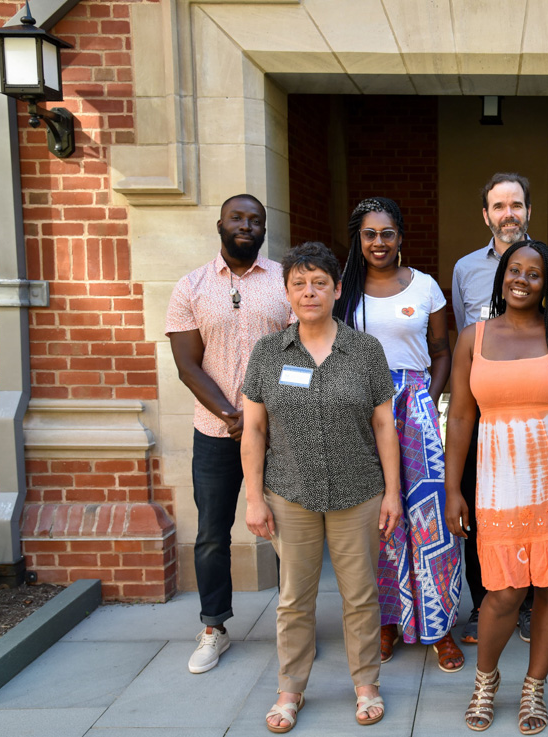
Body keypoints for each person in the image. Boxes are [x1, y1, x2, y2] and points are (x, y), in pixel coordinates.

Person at [445, 240, 548, 735]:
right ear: (501, 279)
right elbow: (458, 416)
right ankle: (486, 679)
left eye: (533, 274)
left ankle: (534, 686)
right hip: (499, 482)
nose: (521, 279)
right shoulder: (472, 338)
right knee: (503, 591)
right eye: (514, 270)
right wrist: (454, 488)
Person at [241, 242, 403, 733]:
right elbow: (253, 430)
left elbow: (383, 425)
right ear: (287, 292)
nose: (309, 292)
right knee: (294, 597)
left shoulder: (365, 350)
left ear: (336, 289)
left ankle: (366, 684)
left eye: (319, 283)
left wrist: (393, 492)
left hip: (359, 491)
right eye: (299, 284)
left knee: (360, 594)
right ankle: (290, 690)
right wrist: (253, 498)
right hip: (290, 491)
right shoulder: (269, 352)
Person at [334, 197, 464, 673]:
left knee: (430, 518)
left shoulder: (426, 286)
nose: (379, 242)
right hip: (362, 409)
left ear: (400, 237)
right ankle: (387, 621)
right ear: (359, 239)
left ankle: (440, 626)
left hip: (416, 407)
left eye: (387, 233)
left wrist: (426, 396)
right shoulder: (343, 291)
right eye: (370, 234)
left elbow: (442, 351)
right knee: (379, 520)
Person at [165, 194, 292, 675]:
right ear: (220, 224)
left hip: (279, 432)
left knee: (287, 533)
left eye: (255, 219)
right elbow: (186, 363)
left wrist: (259, 417)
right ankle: (213, 627)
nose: (246, 225)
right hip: (214, 433)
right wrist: (231, 415)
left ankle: (291, 627)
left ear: (264, 229)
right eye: (238, 217)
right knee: (213, 534)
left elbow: (299, 356)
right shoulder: (191, 286)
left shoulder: (285, 281)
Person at [450, 172, 548, 645]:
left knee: (536, 507)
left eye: (516, 204)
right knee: (486, 508)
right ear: (486, 215)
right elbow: (468, 339)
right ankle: (487, 602)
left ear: (528, 211)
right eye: (498, 206)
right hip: (487, 410)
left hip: (539, 412)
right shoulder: (464, 269)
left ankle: (532, 600)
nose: (508, 214)